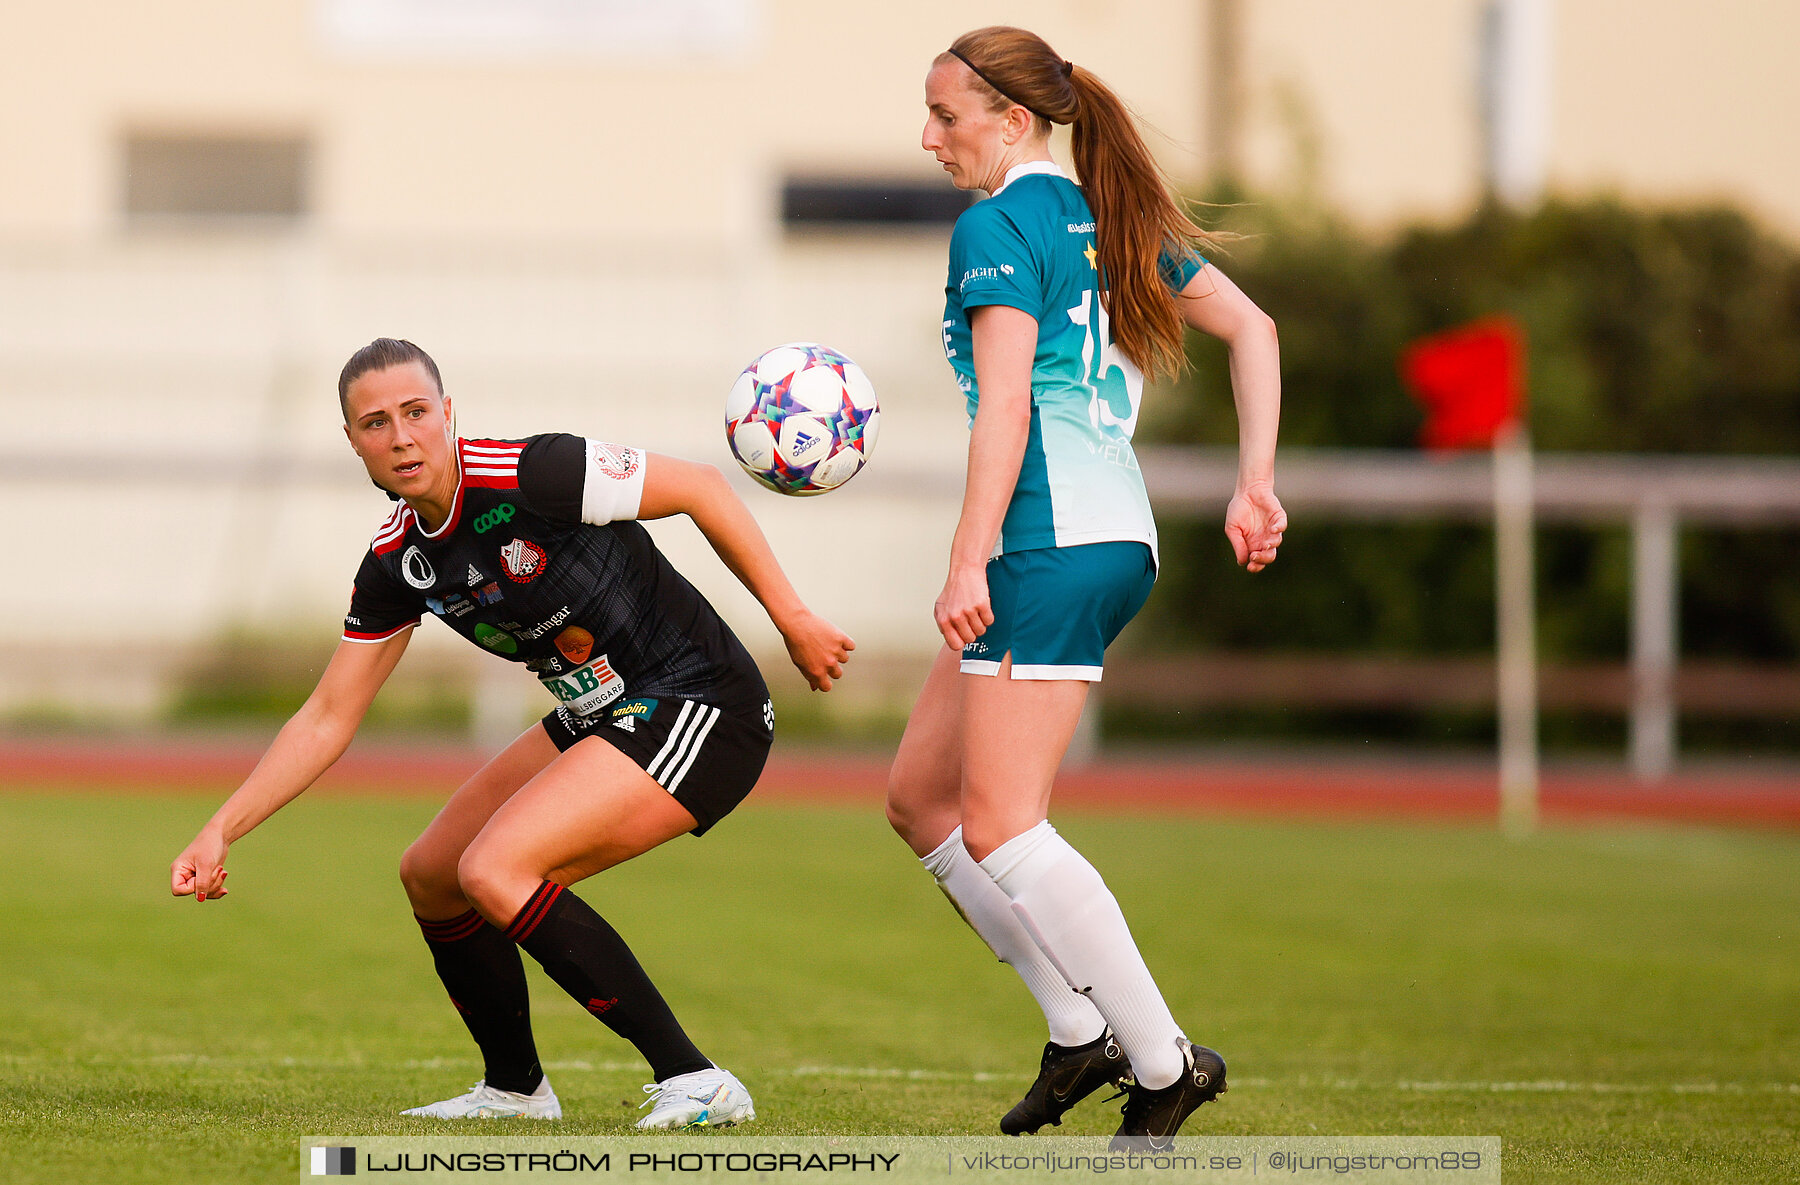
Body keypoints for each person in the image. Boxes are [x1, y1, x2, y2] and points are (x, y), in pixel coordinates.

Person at [171, 337, 853, 1128]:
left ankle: (696, 1077)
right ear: (353, 442)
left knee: (495, 867)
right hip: (599, 712)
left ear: (448, 413)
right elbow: (328, 714)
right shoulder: (398, 562)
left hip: (699, 701)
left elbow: (702, 487)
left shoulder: (536, 474)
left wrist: (793, 618)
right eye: (375, 423)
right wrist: (221, 828)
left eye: (416, 413)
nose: (401, 436)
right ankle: (514, 1089)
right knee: (432, 871)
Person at [886, 27, 1286, 1150]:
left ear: (1014, 121)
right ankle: (1079, 1029)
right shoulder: (1103, 217)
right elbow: (1253, 328)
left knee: (1007, 826)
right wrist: (1254, 485)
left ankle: (1163, 1065)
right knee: (922, 799)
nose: (930, 138)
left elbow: (1006, 407)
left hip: (1048, 546)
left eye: (946, 115)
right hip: (1109, 542)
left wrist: (967, 559)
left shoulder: (999, 223)